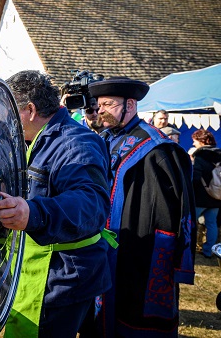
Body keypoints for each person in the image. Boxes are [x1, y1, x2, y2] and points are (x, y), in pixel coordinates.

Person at [0, 70, 112, 337]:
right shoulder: (31, 139)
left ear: (30, 110)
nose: (6, 119)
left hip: (62, 277)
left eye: (11, 111)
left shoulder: (75, 143)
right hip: (33, 266)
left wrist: (33, 212)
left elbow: (91, 203)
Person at [87, 77, 195, 337]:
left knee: (134, 314)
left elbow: (176, 209)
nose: (101, 110)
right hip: (106, 245)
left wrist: (171, 255)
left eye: (108, 104)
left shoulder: (158, 149)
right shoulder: (106, 140)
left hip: (141, 249)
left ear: (131, 104)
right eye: (99, 105)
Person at [191, 129, 221, 258]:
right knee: (212, 224)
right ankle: (208, 251)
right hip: (216, 196)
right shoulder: (220, 153)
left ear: (202, 141)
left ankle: (189, 248)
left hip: (200, 197)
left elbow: (196, 178)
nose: (193, 144)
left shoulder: (200, 155)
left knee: (191, 223)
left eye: (195, 141)